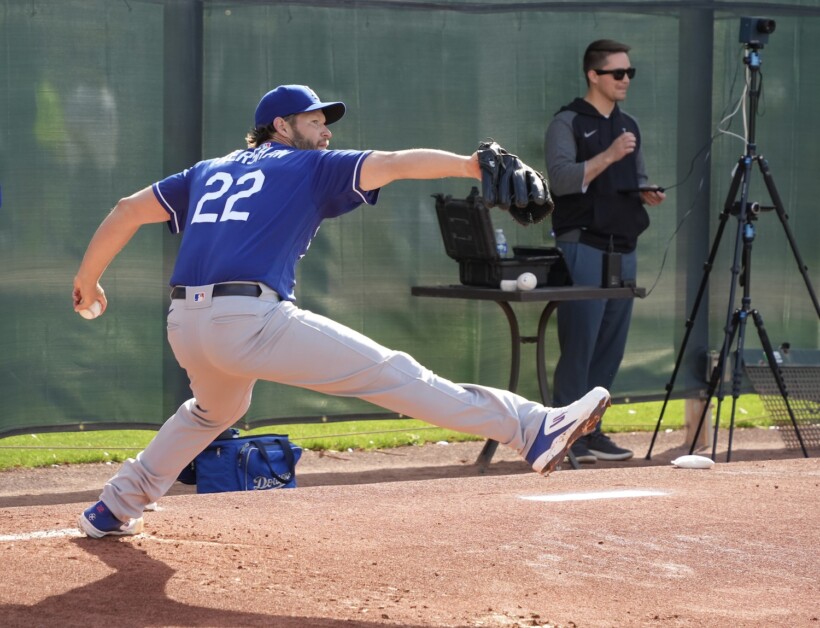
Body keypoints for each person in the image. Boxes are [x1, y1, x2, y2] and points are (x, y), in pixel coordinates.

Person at [74, 84, 611, 538]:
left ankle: (114, 506)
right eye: (315, 119)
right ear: (280, 126)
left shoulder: (209, 169)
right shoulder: (310, 166)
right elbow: (397, 165)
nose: (326, 130)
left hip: (185, 324)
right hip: (248, 321)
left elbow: (126, 210)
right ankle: (533, 427)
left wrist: (87, 280)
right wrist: (471, 164)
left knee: (212, 412)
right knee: (397, 375)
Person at [544, 41, 666, 464]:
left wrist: (645, 191)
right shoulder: (568, 122)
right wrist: (609, 155)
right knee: (579, 344)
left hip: (623, 248)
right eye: (617, 73)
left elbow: (636, 174)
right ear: (593, 75)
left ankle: (592, 433)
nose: (626, 79)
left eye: (630, 72)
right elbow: (559, 180)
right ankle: (563, 436)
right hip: (583, 244)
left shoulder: (629, 124)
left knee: (609, 348)